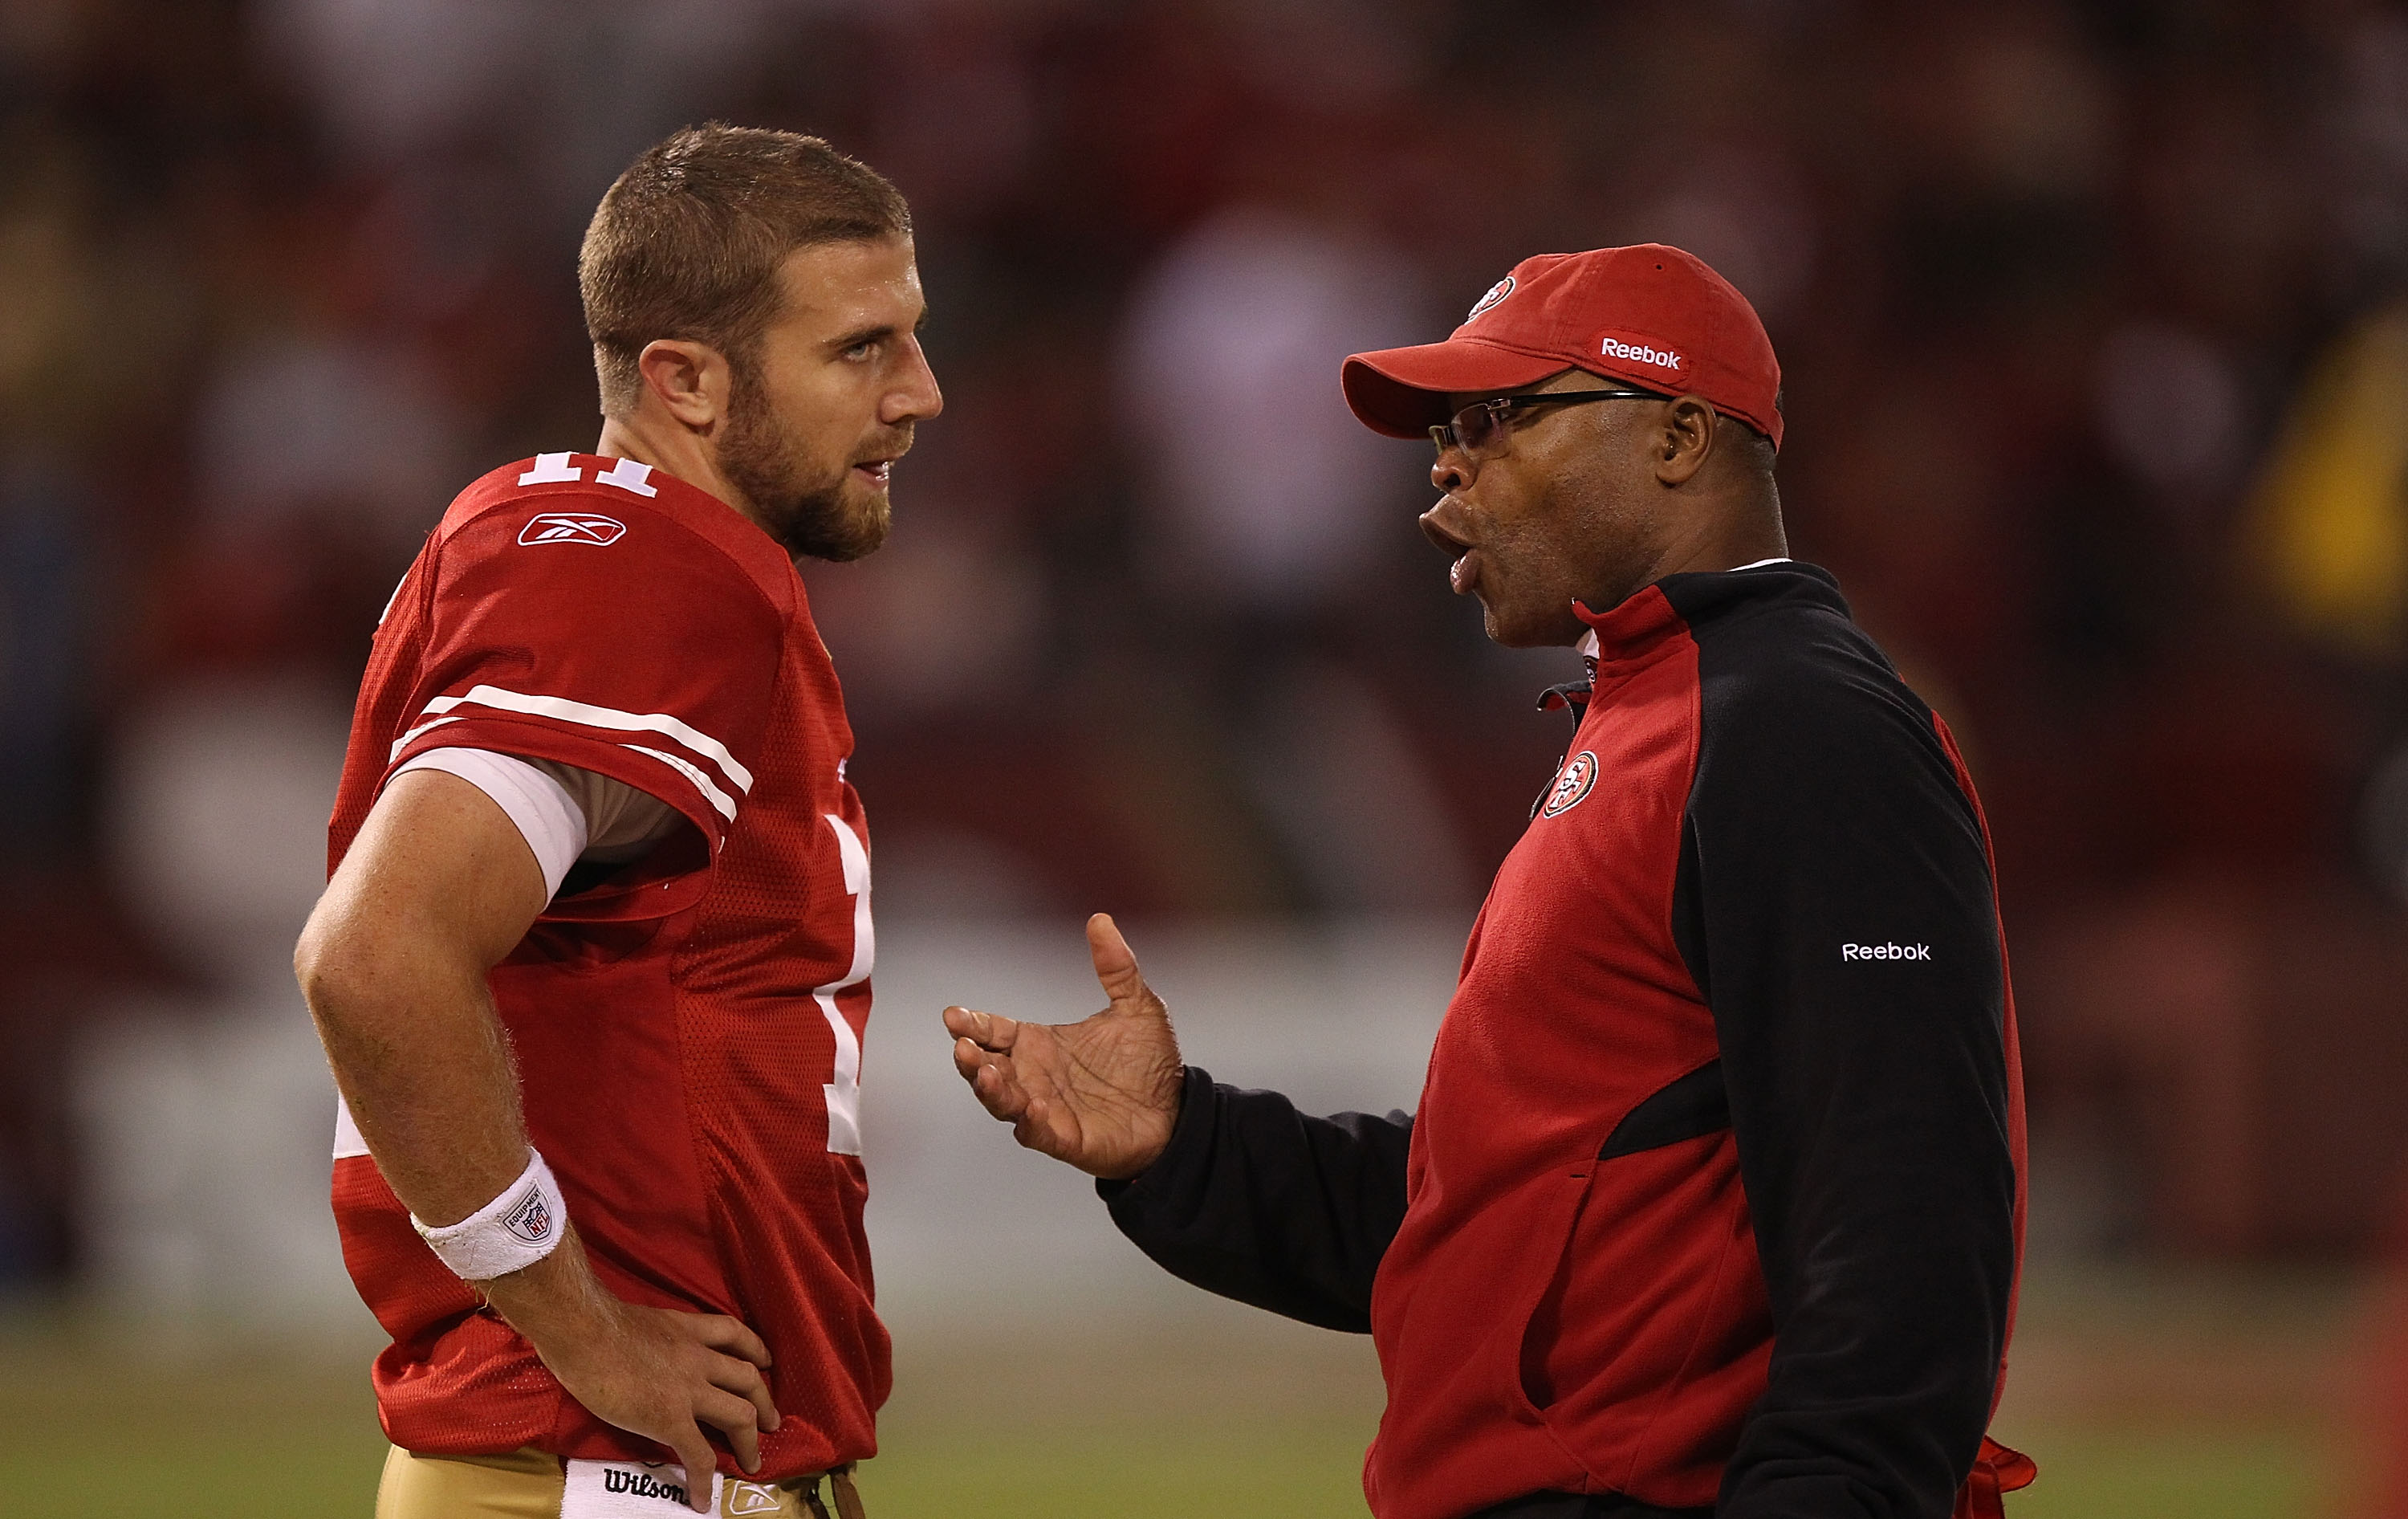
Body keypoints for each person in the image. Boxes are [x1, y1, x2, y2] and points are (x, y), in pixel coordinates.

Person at [945, 246, 2034, 1519]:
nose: (1445, 467)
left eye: (1494, 420)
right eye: (1444, 431)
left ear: (1679, 434)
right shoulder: (1653, 715)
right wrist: (1187, 1144)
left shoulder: (1799, 724)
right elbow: (1500, 1212)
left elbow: (1909, 1219)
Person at [295, 124, 941, 1519]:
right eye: (860, 349)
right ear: (686, 380)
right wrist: (579, 1326)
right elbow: (375, 953)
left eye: (913, 338)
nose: (921, 394)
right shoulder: (640, 575)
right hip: (591, 1470)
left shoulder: (583, 545)